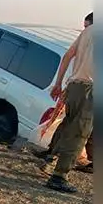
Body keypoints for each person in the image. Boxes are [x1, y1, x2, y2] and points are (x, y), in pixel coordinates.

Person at [40, 11, 94, 192]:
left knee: (69, 125)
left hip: (74, 86)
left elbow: (68, 55)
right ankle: (59, 176)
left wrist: (58, 83)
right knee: (79, 133)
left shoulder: (88, 31)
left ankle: (51, 157)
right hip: (90, 90)